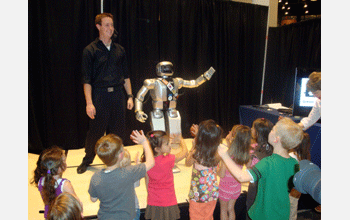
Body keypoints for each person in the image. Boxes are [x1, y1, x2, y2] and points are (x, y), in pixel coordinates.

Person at [78, 12, 134, 174]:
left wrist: (129, 95)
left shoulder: (119, 50)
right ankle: (87, 160)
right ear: (98, 27)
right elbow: (86, 80)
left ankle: (117, 161)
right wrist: (89, 103)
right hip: (100, 96)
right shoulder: (90, 50)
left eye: (112, 24)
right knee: (95, 132)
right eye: (107, 25)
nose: (111, 28)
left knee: (118, 132)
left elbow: (126, 76)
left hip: (117, 95)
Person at [217, 117, 303, 220]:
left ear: (276, 139)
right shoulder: (294, 163)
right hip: (282, 214)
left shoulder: (267, 163)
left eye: (272, 130)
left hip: (263, 215)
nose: (270, 131)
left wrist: (224, 155)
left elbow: (241, 177)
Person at [88, 131, 154, 220]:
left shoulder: (96, 177)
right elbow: (151, 162)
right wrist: (144, 142)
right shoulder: (129, 172)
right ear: (121, 155)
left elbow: (93, 199)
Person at [141, 131, 188, 220]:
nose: (169, 145)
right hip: (168, 201)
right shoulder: (168, 160)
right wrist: (181, 140)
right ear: (157, 149)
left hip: (153, 202)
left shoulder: (147, 163)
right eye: (167, 144)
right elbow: (184, 152)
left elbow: (147, 183)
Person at [218, 125, 258, 220]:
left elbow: (222, 174)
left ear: (233, 137)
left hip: (225, 187)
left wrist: (216, 169)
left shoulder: (226, 155)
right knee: (231, 209)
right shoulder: (245, 154)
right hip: (236, 187)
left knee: (223, 210)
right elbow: (249, 167)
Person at [185, 119, 223, 220]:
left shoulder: (196, 153)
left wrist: (193, 147)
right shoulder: (218, 152)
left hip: (198, 194)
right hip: (212, 192)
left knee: (195, 217)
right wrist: (200, 134)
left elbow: (187, 163)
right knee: (209, 216)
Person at [32, 146, 83, 219]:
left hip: (50, 214)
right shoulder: (65, 185)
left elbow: (46, 201)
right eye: (64, 161)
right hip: (63, 216)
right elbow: (76, 203)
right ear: (59, 169)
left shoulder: (41, 181)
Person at [288, 132, 311, 220]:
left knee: (288, 208)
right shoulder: (306, 155)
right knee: (293, 208)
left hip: (290, 189)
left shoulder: (292, 156)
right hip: (297, 189)